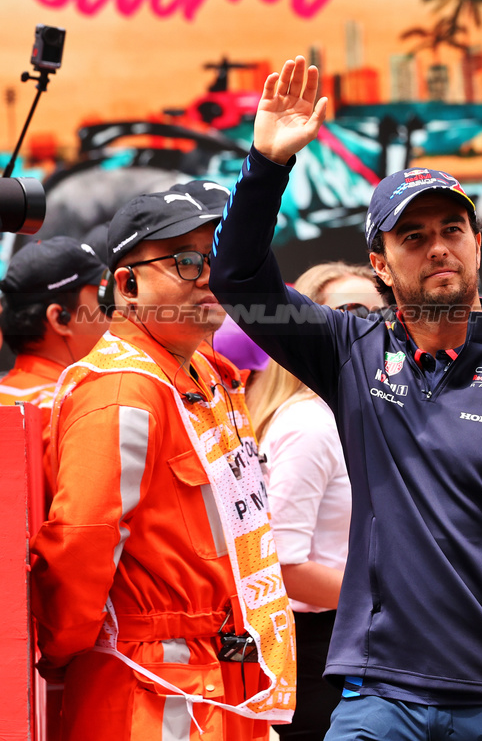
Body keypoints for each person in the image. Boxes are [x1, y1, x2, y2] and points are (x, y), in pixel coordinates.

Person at [209, 55, 482, 741]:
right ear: (379, 262)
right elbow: (239, 279)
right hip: (379, 697)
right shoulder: (352, 349)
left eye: (452, 230)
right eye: (413, 237)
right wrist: (267, 165)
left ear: (478, 243)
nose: (438, 249)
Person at [30, 191, 296, 740]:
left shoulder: (203, 372)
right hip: (147, 693)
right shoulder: (122, 391)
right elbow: (81, 542)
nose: (208, 276)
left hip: (220, 683)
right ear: (127, 286)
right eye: (186, 260)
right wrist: (64, 652)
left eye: (216, 258)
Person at [246, 261, 381, 741]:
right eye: (348, 312)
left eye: (378, 314)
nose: (365, 326)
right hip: (320, 648)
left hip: (350, 636)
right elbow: (282, 565)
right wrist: (390, 602)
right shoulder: (311, 424)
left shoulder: (355, 413)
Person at [0, 237, 109, 490]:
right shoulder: (65, 407)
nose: (117, 313)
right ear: (60, 318)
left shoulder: (7, 389)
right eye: (103, 301)